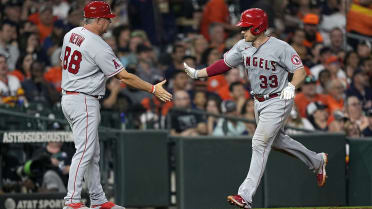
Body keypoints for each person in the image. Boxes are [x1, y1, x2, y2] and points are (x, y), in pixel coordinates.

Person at [184, 8, 328, 209]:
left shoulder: (281, 47)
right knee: (276, 141)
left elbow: (300, 72)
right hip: (258, 101)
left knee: (259, 142)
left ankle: (245, 196)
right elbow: (224, 64)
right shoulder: (243, 45)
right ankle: (317, 160)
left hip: (278, 99)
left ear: (259, 27)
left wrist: (291, 86)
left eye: (246, 28)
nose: (242, 31)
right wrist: (198, 74)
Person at [60, 2, 172, 209]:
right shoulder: (98, 44)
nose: (110, 22)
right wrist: (153, 89)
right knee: (85, 150)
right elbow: (125, 77)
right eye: (107, 19)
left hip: (70, 96)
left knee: (92, 152)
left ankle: (97, 199)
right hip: (83, 99)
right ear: (99, 20)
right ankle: (72, 201)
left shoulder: (72, 33)